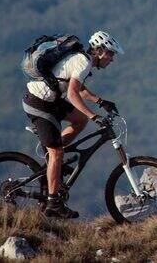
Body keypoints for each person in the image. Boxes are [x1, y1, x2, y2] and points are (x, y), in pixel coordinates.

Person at [22, 30, 124, 218]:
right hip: (39, 102)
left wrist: (101, 102)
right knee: (58, 152)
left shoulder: (82, 61)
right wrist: (95, 116)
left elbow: (79, 89)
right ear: (100, 51)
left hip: (49, 101)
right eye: (110, 54)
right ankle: (53, 203)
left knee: (79, 120)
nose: (112, 59)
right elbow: (72, 94)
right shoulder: (83, 61)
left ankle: (53, 156)